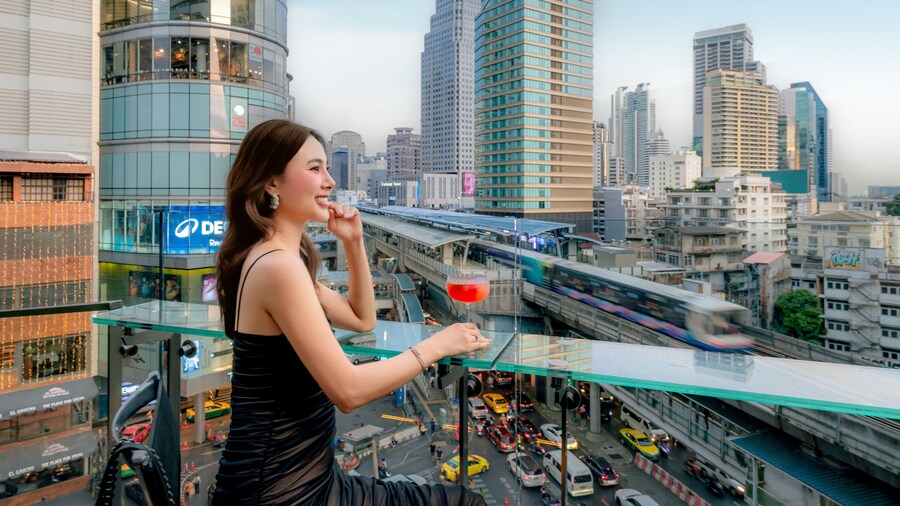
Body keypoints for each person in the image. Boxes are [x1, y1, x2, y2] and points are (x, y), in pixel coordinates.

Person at [210, 120, 490, 505]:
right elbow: (348, 391)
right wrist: (439, 344)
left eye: (327, 168)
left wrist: (355, 242)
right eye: (314, 168)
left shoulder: (276, 259)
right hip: (282, 491)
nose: (329, 181)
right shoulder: (279, 267)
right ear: (271, 183)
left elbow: (362, 319)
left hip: (301, 479)